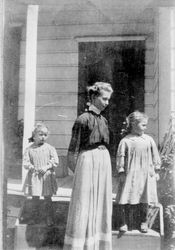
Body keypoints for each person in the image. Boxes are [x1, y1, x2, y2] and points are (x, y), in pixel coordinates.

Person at [63, 82, 113, 250]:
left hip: (103, 161)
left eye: (108, 100)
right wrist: (77, 172)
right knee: (83, 201)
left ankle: (98, 243)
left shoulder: (104, 119)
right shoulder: (83, 119)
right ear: (93, 97)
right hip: (87, 161)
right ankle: (80, 244)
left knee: (100, 201)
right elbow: (73, 149)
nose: (107, 103)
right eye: (104, 99)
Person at [115, 111, 161, 233]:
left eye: (146, 125)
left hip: (146, 175)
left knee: (144, 198)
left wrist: (156, 170)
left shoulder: (148, 140)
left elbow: (155, 155)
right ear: (134, 124)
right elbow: (121, 157)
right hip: (130, 174)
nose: (145, 128)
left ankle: (144, 221)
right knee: (126, 196)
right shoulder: (126, 141)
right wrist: (121, 171)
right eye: (143, 125)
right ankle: (123, 222)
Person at [23, 122, 59, 226]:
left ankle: (49, 218)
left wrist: (46, 167)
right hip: (35, 176)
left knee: (47, 197)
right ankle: (35, 218)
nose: (43, 137)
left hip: (46, 176)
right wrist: (31, 167)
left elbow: (55, 161)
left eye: (45, 135)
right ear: (34, 136)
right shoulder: (29, 149)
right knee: (35, 198)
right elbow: (26, 162)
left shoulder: (50, 148)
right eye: (40, 135)